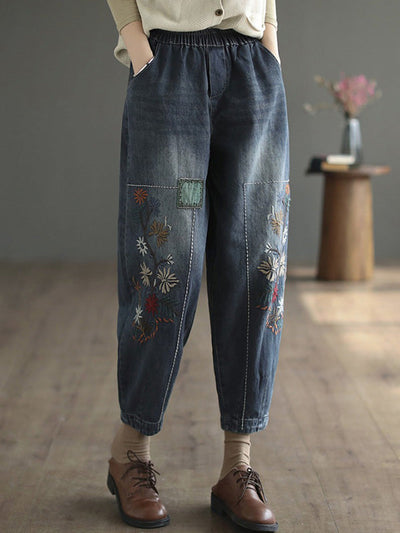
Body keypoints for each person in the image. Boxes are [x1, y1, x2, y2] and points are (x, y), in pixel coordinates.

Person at [105, 1, 290, 531]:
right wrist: (135, 41)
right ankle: (130, 451)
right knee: (166, 268)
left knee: (258, 266)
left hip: (251, 67)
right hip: (168, 68)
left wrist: (269, 39)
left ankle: (238, 467)